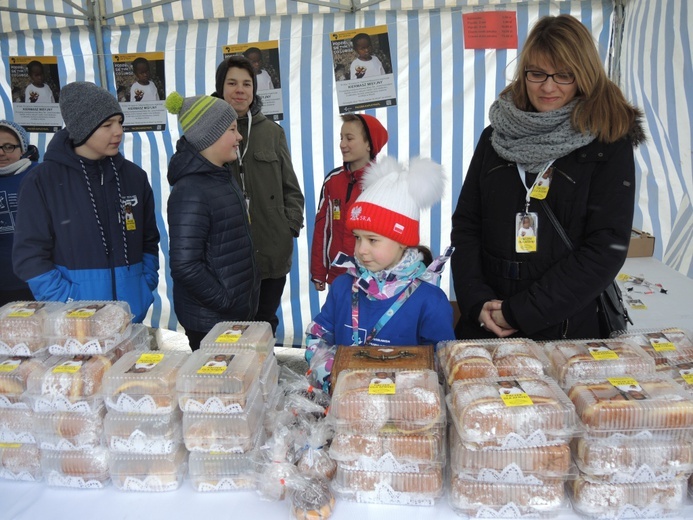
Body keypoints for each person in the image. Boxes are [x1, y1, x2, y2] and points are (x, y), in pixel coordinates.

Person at [450, 15, 644, 341]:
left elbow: (604, 248)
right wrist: (477, 301)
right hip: (487, 325)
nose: (548, 86)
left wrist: (522, 312)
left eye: (563, 75)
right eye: (537, 73)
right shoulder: (496, 137)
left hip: (565, 329)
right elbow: (467, 224)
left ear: (583, 75)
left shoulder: (608, 143)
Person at [12, 81, 160, 323]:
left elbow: (149, 240)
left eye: (120, 122)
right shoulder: (42, 181)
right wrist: (65, 302)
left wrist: (143, 287)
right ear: (82, 128)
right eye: (107, 125)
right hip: (74, 321)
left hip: (130, 316)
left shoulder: (134, 177)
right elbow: (30, 255)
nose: (118, 131)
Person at [304, 156, 456, 391]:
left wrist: (404, 390)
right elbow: (318, 336)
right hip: (346, 406)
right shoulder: (344, 287)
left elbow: (444, 364)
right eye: (357, 237)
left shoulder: (429, 300)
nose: (361, 249)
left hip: (405, 416)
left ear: (402, 242)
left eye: (373, 240)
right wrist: (332, 376)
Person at [214, 55, 304, 335]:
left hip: (271, 249)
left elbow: (292, 189)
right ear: (220, 87)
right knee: (230, 327)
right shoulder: (206, 132)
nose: (240, 90)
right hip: (226, 251)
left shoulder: (272, 133)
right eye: (232, 83)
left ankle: (264, 374)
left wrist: (288, 226)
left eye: (247, 84)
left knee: (265, 323)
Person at [165, 92, 260, 351]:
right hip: (211, 322)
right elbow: (185, 265)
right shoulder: (191, 191)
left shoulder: (221, 176)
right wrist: (226, 300)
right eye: (232, 129)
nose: (239, 136)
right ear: (210, 136)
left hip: (229, 315)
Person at [310, 113, 388, 291]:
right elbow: (323, 227)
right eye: (341, 138)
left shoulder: (384, 182)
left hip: (374, 278)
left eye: (349, 138)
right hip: (338, 276)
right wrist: (318, 271)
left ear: (369, 144)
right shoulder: (333, 180)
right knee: (339, 318)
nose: (342, 144)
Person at [0, 120, 40, 306]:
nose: (1, 152)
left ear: (22, 148)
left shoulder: (39, 175)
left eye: (8, 146)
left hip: (36, 279)